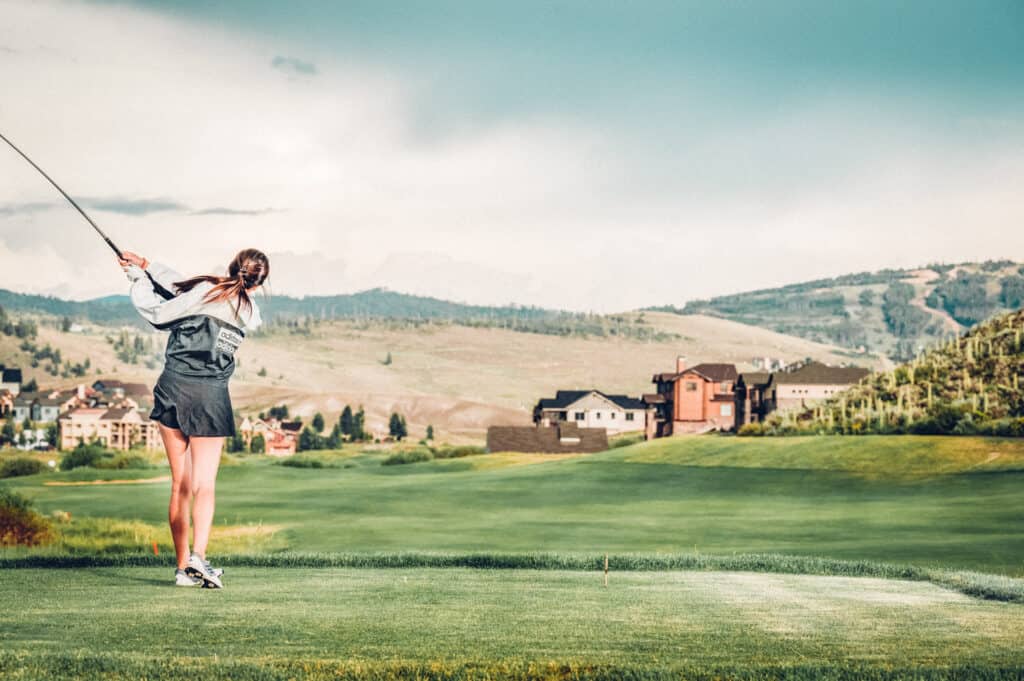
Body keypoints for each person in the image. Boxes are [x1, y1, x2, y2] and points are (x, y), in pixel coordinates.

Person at [119, 248, 269, 588]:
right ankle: (198, 559)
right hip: (210, 398)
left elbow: (160, 310)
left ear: (232, 266)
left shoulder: (204, 290)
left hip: (173, 388)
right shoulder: (249, 312)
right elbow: (184, 288)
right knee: (205, 485)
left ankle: (183, 567)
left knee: (181, 485)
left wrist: (138, 277)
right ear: (259, 283)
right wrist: (146, 266)